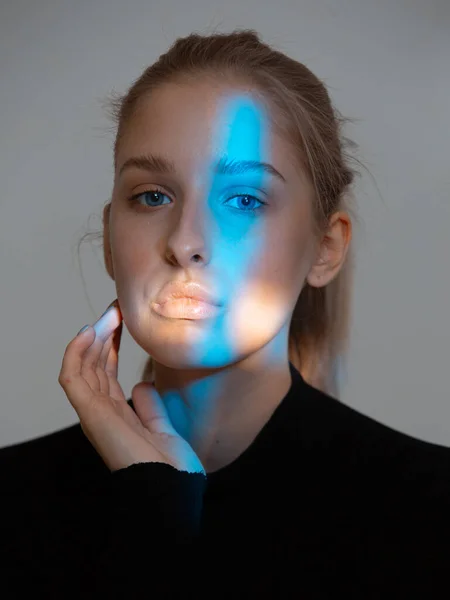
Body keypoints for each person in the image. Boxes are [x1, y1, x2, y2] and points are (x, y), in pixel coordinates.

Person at [2, 29, 449, 599]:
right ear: (112, 240)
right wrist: (154, 513)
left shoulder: (429, 512)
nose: (186, 242)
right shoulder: (12, 502)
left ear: (326, 248)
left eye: (244, 200)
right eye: (152, 197)